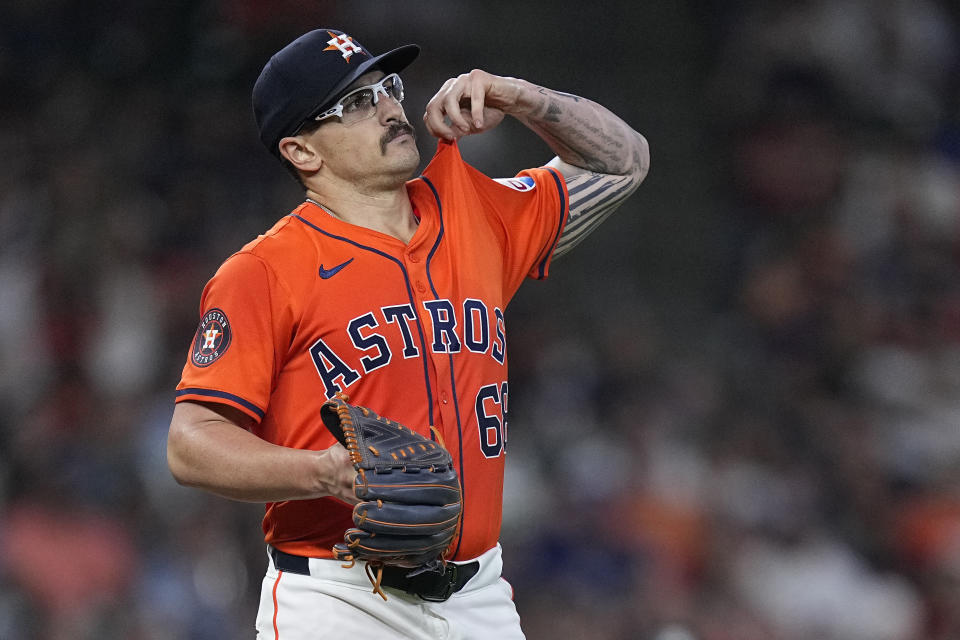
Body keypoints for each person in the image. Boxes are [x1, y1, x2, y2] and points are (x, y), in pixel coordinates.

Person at [167, 27, 649, 639]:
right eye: (356, 103)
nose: (391, 109)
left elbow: (624, 162)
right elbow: (190, 443)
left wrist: (520, 97)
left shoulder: (475, 209)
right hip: (340, 600)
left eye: (386, 87)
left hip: (480, 594)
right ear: (302, 152)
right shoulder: (262, 273)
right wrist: (324, 471)